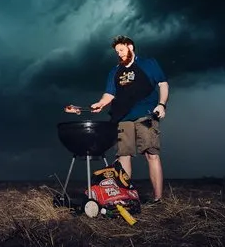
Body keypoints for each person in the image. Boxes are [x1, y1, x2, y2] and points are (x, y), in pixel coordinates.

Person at [65, 35, 169, 204]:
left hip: (146, 114)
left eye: (121, 50)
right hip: (122, 118)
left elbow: (163, 84)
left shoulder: (149, 64)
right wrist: (100, 104)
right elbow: (109, 94)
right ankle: (126, 197)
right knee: (123, 156)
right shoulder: (115, 71)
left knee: (152, 155)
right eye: (117, 52)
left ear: (130, 47)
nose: (119, 54)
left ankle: (158, 199)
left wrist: (162, 104)